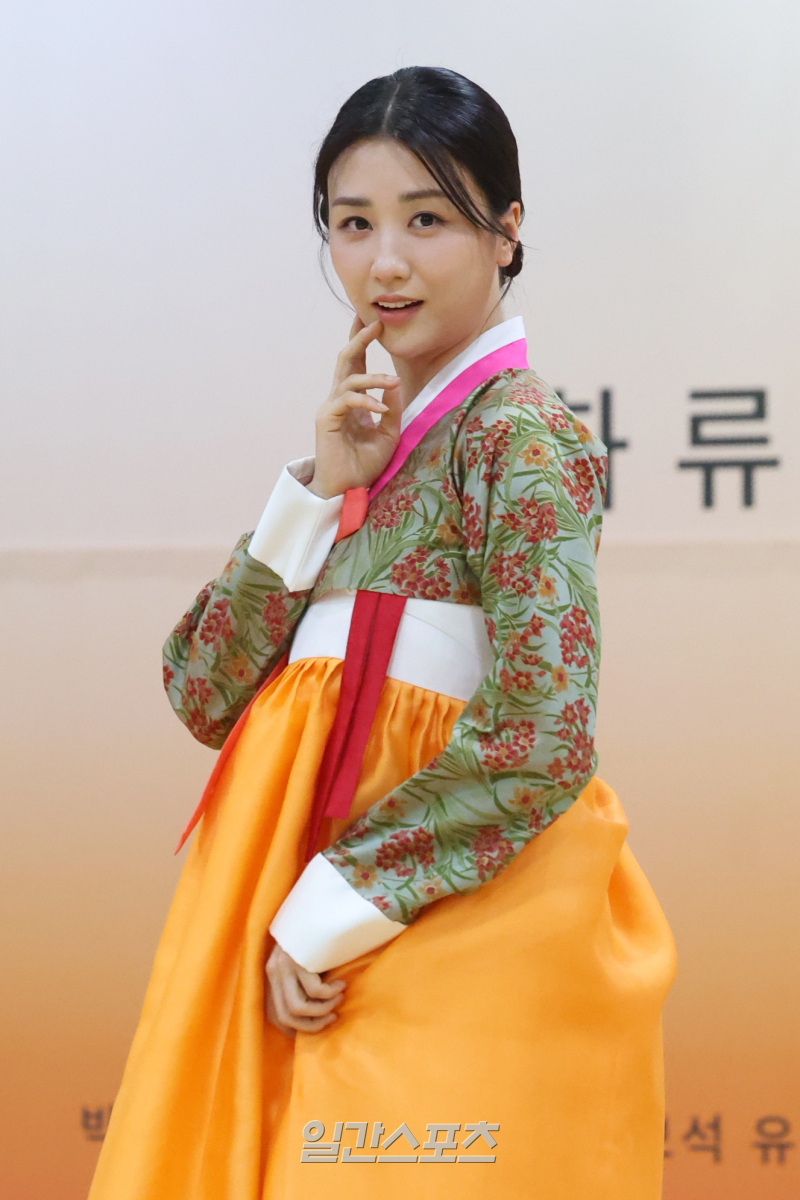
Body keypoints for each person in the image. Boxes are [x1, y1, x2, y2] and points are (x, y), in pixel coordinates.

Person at [89, 66, 675, 1200]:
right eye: (352, 224)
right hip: (301, 927)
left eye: (427, 220)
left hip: (443, 922)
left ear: (506, 230)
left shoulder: (519, 438)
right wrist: (316, 489)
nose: (385, 263)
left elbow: (543, 730)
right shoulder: (364, 447)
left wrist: (328, 907)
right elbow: (201, 689)